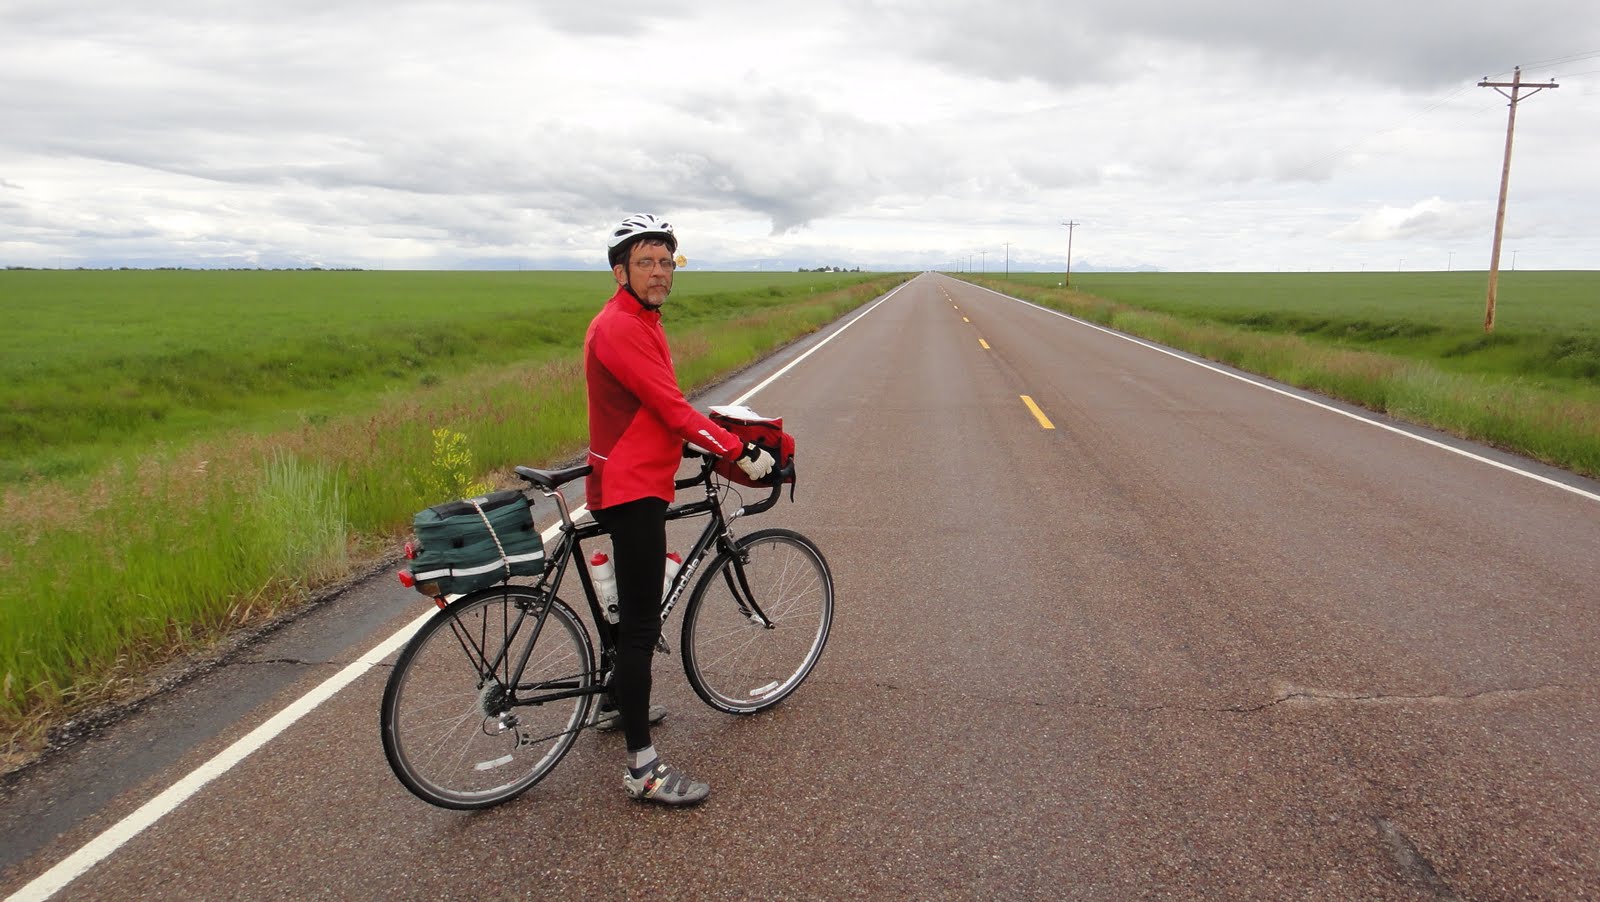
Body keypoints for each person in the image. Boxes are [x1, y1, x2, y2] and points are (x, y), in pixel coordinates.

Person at [583, 213, 775, 805]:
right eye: (647, 261)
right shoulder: (620, 326)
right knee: (641, 626)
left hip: (632, 476)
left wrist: (699, 434)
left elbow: (659, 407)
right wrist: (737, 450)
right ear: (621, 271)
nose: (661, 271)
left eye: (668, 261)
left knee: (628, 609)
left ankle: (615, 702)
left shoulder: (642, 320)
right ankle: (642, 769)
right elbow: (668, 407)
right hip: (632, 486)